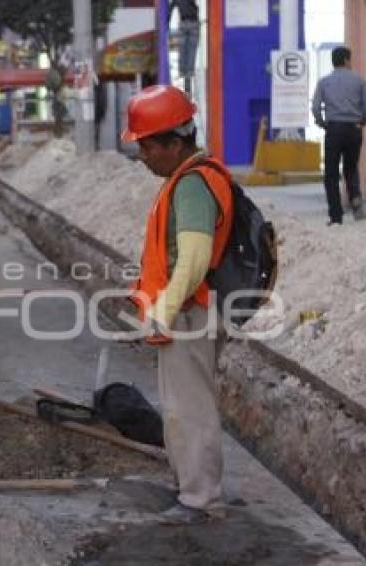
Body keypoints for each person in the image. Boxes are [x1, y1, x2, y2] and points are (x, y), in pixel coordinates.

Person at [122, 85, 234, 525]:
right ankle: (194, 488)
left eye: (147, 146)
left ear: (173, 141)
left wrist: (162, 313)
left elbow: (193, 259)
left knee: (190, 407)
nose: (142, 156)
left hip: (187, 313)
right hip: (188, 309)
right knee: (183, 405)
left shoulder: (191, 186)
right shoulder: (190, 178)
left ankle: (201, 499)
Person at [312, 46, 366, 225]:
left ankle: (336, 216)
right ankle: (355, 198)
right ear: (347, 60)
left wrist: (322, 123)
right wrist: (362, 121)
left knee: (331, 172)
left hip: (334, 129)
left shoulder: (324, 82)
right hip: (353, 129)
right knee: (351, 167)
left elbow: (316, 108)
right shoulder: (359, 80)